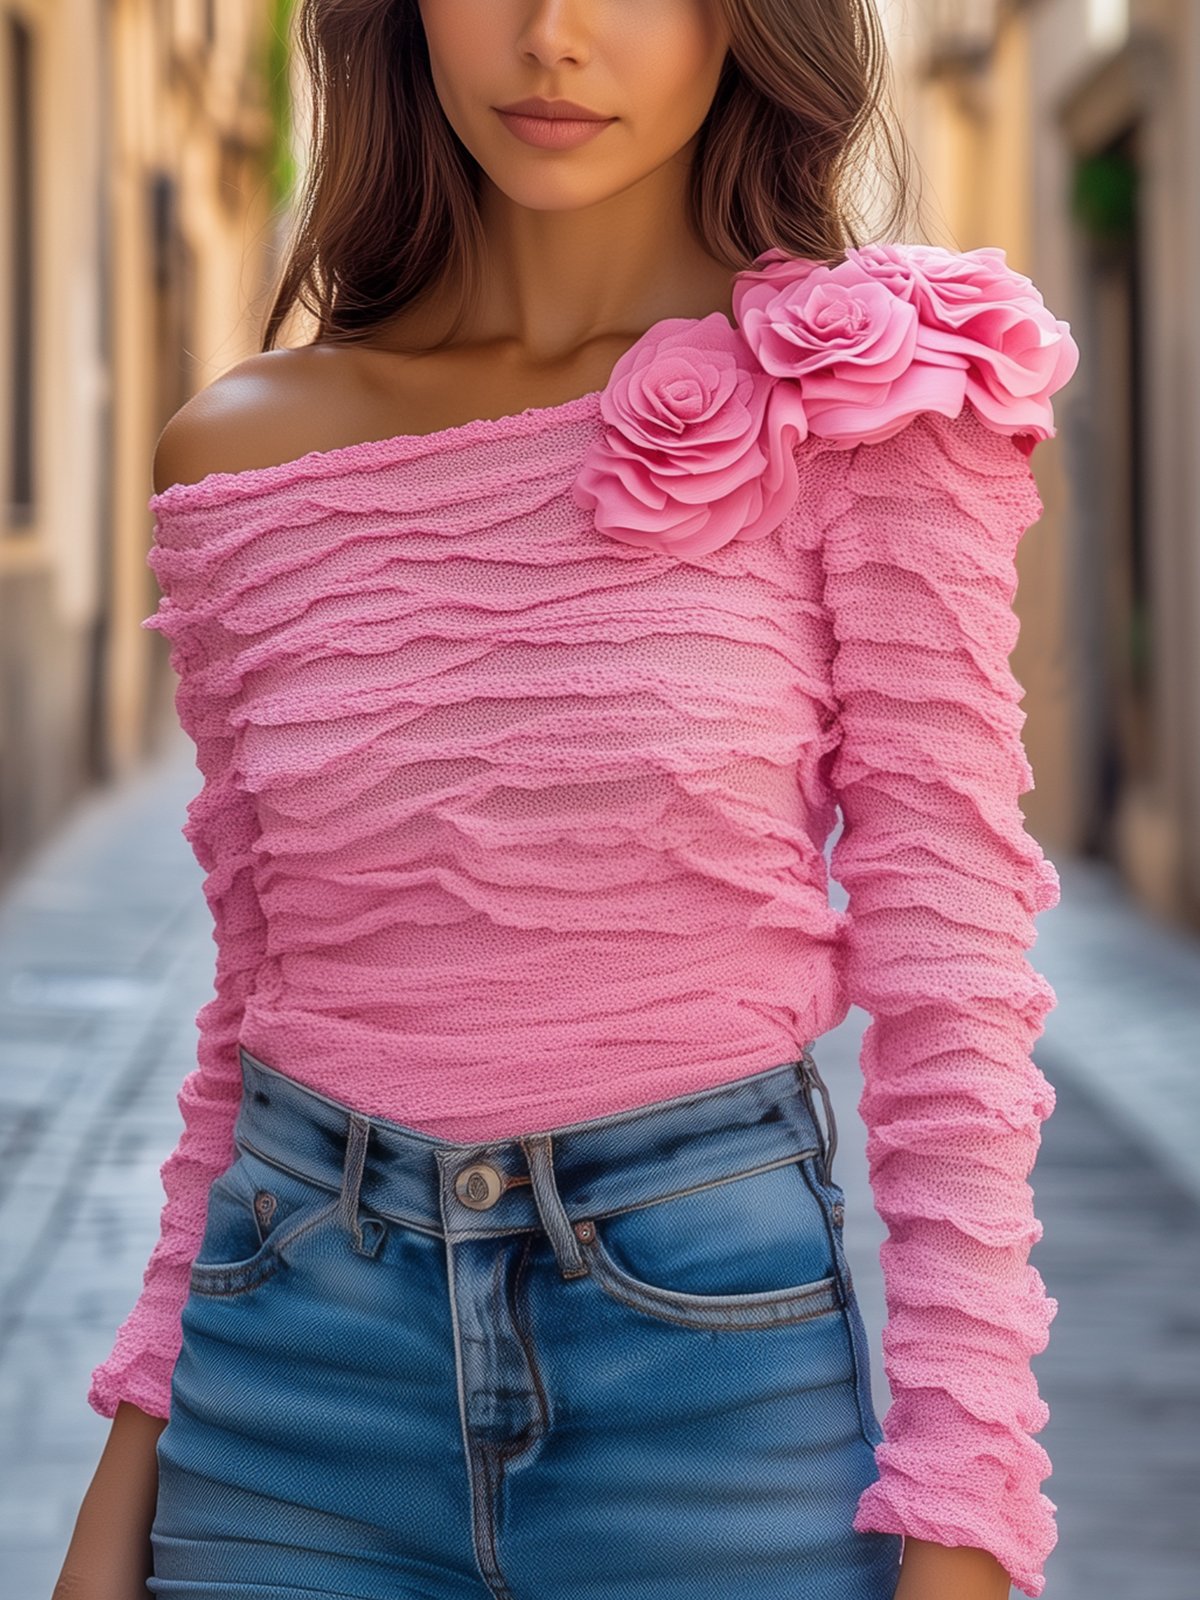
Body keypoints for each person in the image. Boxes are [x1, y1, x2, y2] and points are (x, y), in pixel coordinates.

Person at [55, 2, 1079, 1598]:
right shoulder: (238, 459)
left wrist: (968, 1507)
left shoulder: (870, 411)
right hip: (283, 1387)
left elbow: (955, 984)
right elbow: (259, 1004)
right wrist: (132, 1450)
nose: (552, 35)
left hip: (710, 1383)